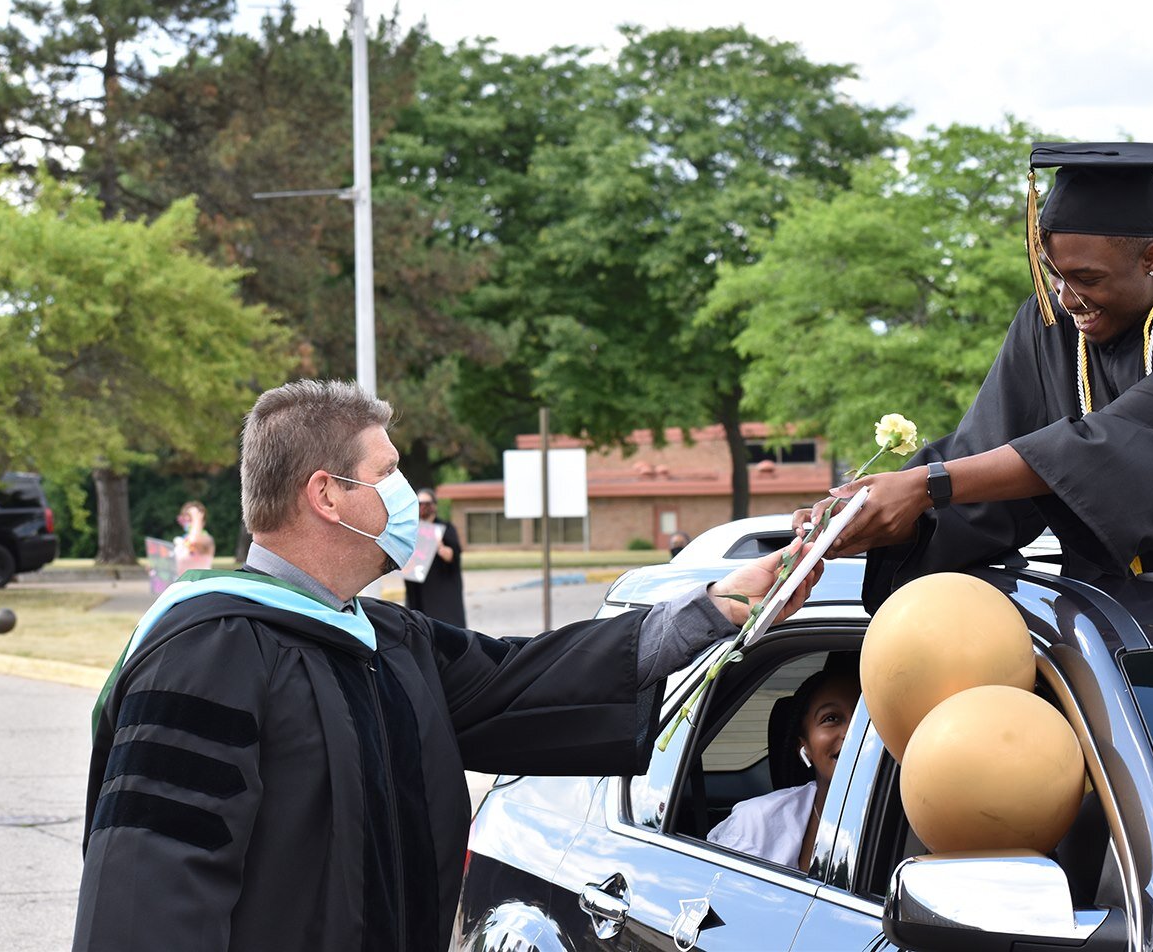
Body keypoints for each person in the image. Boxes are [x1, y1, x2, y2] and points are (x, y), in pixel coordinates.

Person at [73, 380, 820, 952]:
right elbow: (149, 888)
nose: (406, 496)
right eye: (388, 473)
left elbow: (525, 679)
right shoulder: (209, 650)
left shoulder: (389, 640)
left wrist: (716, 608)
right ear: (328, 495)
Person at [801, 143, 1153, 610]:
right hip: (1099, 617)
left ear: (1151, 259)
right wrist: (877, 516)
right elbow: (979, 459)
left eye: (1088, 278)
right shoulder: (1049, 327)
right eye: (1053, 274)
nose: (1065, 297)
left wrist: (925, 485)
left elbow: (1110, 445)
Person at [707, 662, 861, 871]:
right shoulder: (755, 824)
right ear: (803, 745)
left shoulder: (913, 825)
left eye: (865, 719)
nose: (852, 732)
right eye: (831, 718)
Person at [405, 487, 467, 627]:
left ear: (434, 505)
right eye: (419, 504)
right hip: (417, 588)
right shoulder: (411, 529)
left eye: (427, 503)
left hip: (442, 588)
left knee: (444, 626)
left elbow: (454, 555)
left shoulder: (445, 527)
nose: (423, 507)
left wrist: (441, 548)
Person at [173, 500, 215, 574]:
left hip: (200, 583)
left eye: (191, 519)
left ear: (202, 521)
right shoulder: (183, 540)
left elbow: (193, 542)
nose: (188, 523)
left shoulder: (207, 539)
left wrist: (196, 518)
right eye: (185, 520)